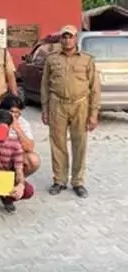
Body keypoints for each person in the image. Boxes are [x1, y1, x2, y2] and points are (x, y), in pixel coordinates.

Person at [41, 25, 101, 198]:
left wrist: (93, 113)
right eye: (64, 37)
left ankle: (78, 181)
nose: (67, 40)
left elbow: (95, 88)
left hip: (80, 104)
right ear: (61, 39)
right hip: (57, 104)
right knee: (58, 144)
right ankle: (59, 180)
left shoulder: (87, 60)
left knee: (80, 143)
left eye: (71, 37)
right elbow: (45, 85)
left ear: (76, 39)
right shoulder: (52, 59)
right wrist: (45, 109)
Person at [0, 93, 40, 177]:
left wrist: (17, 129)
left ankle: (16, 181)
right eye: (12, 112)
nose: (15, 115)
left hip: (15, 156)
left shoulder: (23, 123)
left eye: (18, 113)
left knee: (33, 160)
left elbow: (29, 148)